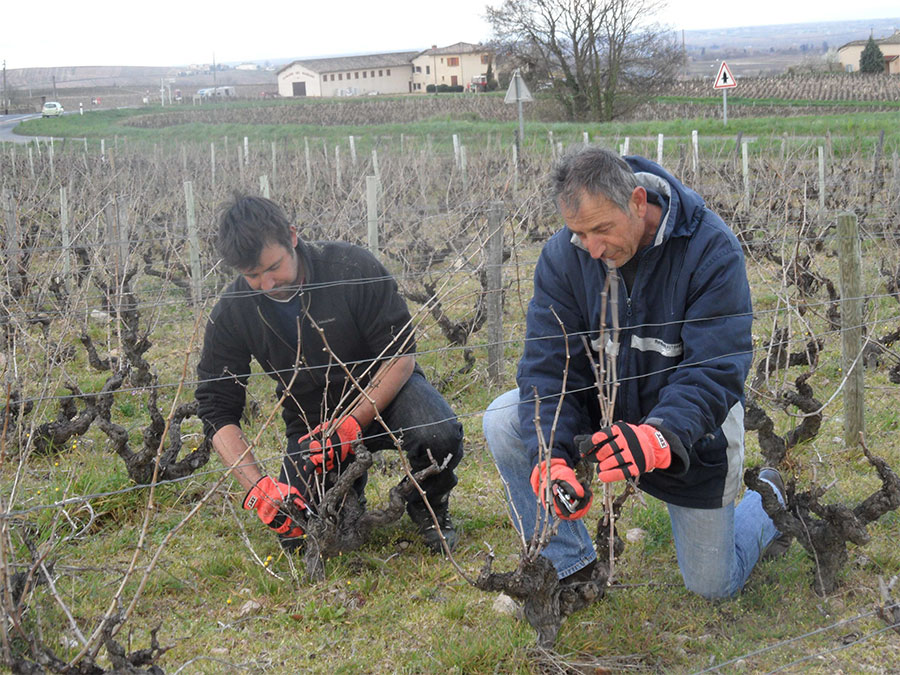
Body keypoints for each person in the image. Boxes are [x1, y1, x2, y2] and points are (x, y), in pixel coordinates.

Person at [483, 146, 788, 599]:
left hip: (691, 432)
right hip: (603, 414)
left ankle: (769, 499)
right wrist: (550, 456)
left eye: (602, 229)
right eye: (579, 233)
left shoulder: (709, 249)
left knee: (713, 586)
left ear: (638, 202)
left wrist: (659, 436)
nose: (593, 249)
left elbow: (715, 369)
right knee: (504, 419)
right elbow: (548, 366)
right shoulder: (564, 256)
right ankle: (570, 568)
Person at [196, 195, 463, 554]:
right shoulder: (233, 311)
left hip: (387, 392)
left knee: (437, 434)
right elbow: (216, 408)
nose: (268, 284)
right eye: (253, 275)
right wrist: (257, 487)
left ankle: (428, 504)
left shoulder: (351, 267)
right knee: (298, 531)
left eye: (274, 267)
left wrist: (352, 424)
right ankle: (346, 499)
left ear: (292, 236)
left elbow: (400, 356)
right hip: (312, 422)